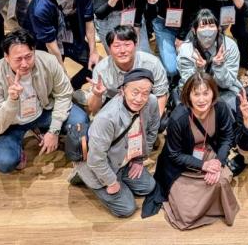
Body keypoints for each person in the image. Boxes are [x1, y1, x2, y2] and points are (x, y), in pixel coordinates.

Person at [0, 29, 89, 173]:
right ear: (6, 57)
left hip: (43, 111)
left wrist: (54, 131)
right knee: (5, 162)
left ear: (34, 50)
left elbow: (64, 94)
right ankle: (22, 146)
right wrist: (12, 100)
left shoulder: (48, 61)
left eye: (28, 56)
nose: (24, 64)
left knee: (80, 119)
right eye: (18, 59)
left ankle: (45, 132)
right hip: (12, 124)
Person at [155, 73, 239, 229]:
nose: (202, 99)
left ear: (213, 93)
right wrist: (204, 166)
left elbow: (227, 137)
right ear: (188, 95)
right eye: (196, 94)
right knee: (187, 214)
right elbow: (174, 154)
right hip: (181, 164)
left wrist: (217, 162)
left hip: (208, 153)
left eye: (206, 93)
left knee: (221, 180)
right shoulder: (178, 118)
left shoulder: (220, 107)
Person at [73, 68, 160, 218]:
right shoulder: (107, 118)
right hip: (97, 165)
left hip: (124, 159)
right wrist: (111, 182)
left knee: (148, 186)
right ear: (123, 90)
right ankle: (83, 175)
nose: (139, 99)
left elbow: (152, 131)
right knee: (127, 208)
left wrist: (139, 159)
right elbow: (95, 160)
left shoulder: (151, 102)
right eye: (135, 92)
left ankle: (120, 174)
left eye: (145, 93)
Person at [22, 0, 98, 91]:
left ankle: (74, 87)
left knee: (97, 65)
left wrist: (93, 51)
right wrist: (62, 71)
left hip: (71, 36)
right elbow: (51, 45)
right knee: (52, 80)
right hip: (44, 43)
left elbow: (89, 22)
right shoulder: (41, 7)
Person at [86, 25, 169, 117]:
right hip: (116, 104)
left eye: (127, 45)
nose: (122, 51)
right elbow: (93, 109)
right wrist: (97, 95)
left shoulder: (152, 63)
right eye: (117, 46)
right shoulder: (101, 70)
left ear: (136, 45)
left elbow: (161, 95)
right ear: (109, 48)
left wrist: (154, 121)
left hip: (144, 101)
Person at [177, 9, 241, 109]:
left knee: (231, 105)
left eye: (211, 26)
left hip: (223, 89)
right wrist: (198, 70)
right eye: (202, 27)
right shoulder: (186, 50)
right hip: (195, 90)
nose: (207, 31)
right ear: (194, 30)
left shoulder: (229, 47)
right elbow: (187, 84)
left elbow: (227, 83)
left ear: (218, 28)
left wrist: (219, 67)